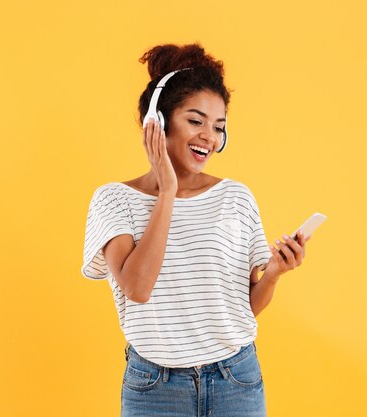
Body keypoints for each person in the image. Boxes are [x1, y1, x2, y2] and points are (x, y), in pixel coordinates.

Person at [81, 43, 311, 417]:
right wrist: (168, 190)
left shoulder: (235, 197)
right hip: (154, 388)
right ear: (157, 121)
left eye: (218, 127)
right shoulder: (113, 200)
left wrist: (273, 274)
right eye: (195, 120)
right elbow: (137, 288)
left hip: (236, 381)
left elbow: (243, 310)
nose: (209, 136)